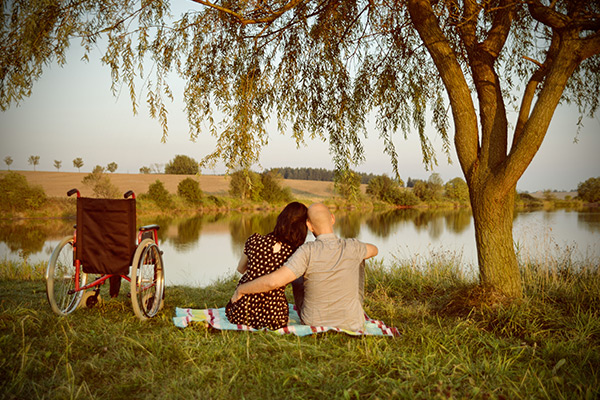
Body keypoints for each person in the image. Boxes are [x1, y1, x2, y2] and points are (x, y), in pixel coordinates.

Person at [230, 203, 378, 331]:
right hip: (353, 322)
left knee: (298, 273)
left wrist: (242, 289)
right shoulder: (353, 246)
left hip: (314, 321)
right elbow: (374, 249)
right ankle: (349, 309)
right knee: (357, 260)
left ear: (308, 225)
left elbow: (273, 281)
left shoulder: (306, 251)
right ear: (332, 218)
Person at [225, 202, 308, 330]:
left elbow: (241, 269)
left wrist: (259, 266)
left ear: (281, 219)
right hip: (274, 316)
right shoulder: (296, 252)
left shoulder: (254, 240)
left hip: (242, 312)